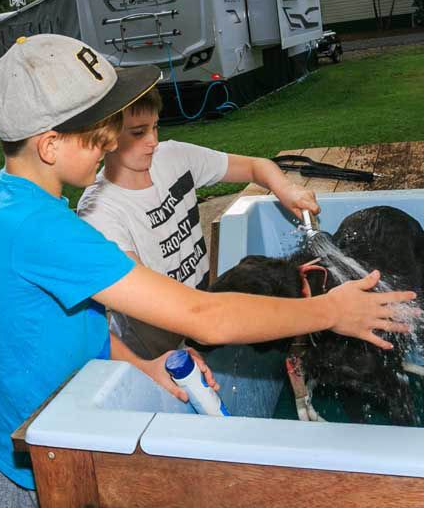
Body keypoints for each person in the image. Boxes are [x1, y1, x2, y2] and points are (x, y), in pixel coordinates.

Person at [0, 34, 410, 508]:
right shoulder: (48, 228)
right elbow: (204, 317)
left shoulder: (5, 198)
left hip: (54, 423)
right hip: (22, 461)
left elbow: (70, 322)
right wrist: (328, 312)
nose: (111, 140)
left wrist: (141, 363)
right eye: (99, 131)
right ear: (50, 145)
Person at [76, 87, 322, 359]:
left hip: (204, 314)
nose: (153, 141)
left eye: (155, 127)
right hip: (155, 349)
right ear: (107, 136)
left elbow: (255, 166)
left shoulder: (172, 157)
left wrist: (287, 190)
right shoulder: (98, 211)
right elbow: (147, 296)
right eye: (138, 132)